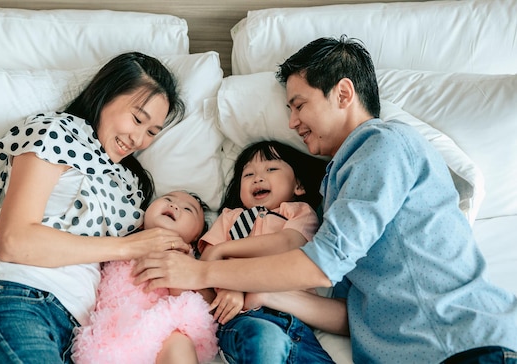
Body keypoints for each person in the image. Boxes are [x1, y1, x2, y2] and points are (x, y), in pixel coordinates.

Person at [133, 36, 517, 363]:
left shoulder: (383, 145)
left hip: (461, 344)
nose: (291, 123)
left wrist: (204, 271)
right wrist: (266, 293)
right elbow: (351, 316)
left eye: (299, 105)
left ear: (344, 93)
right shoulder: (338, 188)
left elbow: (320, 266)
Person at [0, 51, 192, 364]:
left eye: (151, 132)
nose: (138, 139)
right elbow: (14, 241)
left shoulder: (129, 183)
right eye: (137, 119)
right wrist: (126, 247)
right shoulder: (56, 133)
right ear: (106, 95)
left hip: (82, 337)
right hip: (22, 301)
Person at [198, 140, 343, 364]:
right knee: (266, 342)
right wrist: (227, 283)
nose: (258, 177)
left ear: (299, 186)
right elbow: (206, 265)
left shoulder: (299, 212)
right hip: (245, 320)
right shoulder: (229, 218)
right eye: (248, 174)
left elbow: (287, 243)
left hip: (296, 323)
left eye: (271, 168)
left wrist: (224, 250)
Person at [72, 190, 218, 364]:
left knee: (179, 344)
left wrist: (177, 269)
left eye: (188, 209)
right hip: (116, 334)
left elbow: (200, 305)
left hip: (167, 329)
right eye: (167, 199)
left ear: (195, 237)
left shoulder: (187, 258)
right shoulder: (121, 242)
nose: (174, 205)